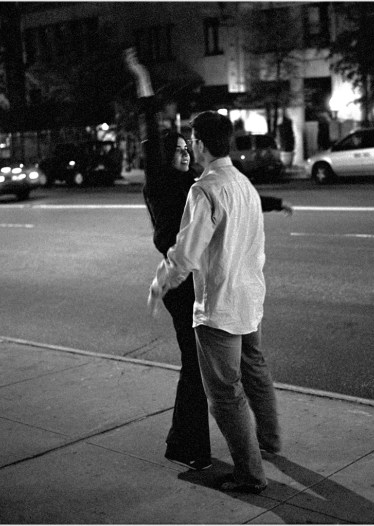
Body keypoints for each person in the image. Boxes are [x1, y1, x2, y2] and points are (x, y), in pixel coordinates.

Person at [124, 49, 291, 476]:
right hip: (190, 286)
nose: (184, 152)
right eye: (177, 149)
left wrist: (273, 202)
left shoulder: (200, 184)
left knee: (212, 375)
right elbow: (151, 131)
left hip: (202, 282)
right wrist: (143, 82)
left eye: (188, 146)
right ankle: (196, 445)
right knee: (204, 371)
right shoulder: (164, 182)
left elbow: (225, 206)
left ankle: (199, 447)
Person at [146, 109, 282, 495]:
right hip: (249, 300)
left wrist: (159, 284)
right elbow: (256, 246)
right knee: (254, 370)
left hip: (220, 307)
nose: (189, 146)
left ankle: (250, 476)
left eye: (191, 140)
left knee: (225, 394)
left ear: (201, 144)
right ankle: (270, 441)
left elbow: (185, 255)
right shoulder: (243, 185)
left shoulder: (204, 190)